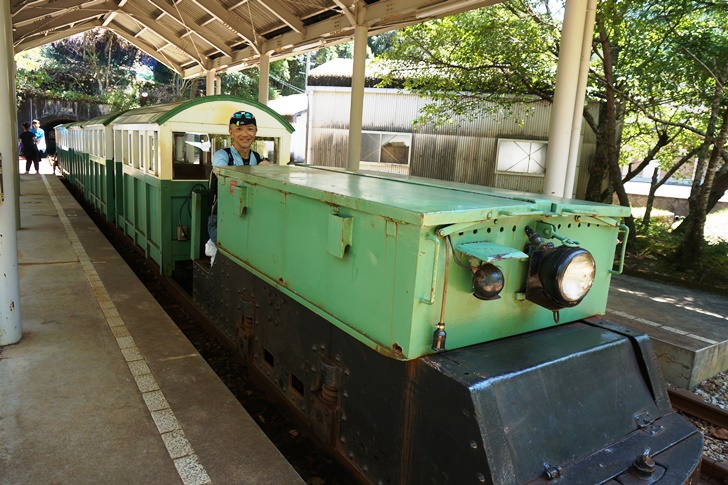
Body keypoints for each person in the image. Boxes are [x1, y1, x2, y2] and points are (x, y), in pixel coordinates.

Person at [206, 111, 271, 263]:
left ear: (255, 132)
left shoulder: (257, 157)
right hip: (221, 217)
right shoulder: (222, 156)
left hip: (249, 217)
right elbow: (222, 173)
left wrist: (266, 163)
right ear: (231, 133)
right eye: (239, 129)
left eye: (249, 129)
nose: (245, 134)